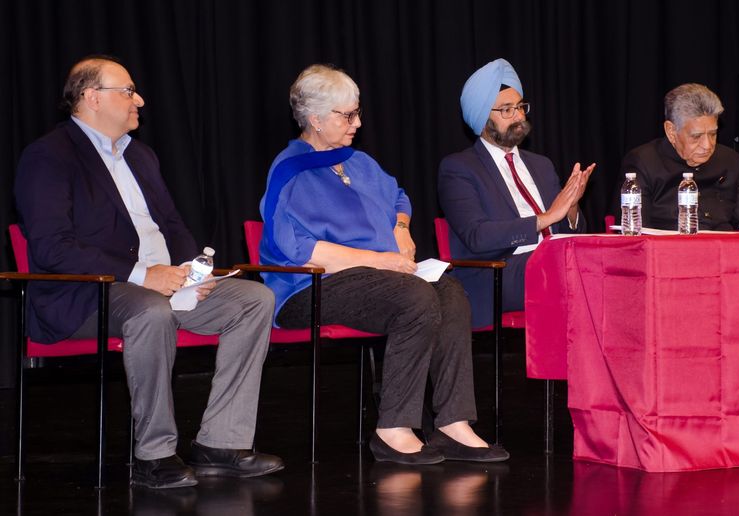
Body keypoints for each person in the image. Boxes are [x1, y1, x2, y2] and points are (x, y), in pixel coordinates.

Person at [13, 56, 283, 489]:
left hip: (164, 283)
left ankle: (221, 443)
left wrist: (195, 271)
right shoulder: (48, 156)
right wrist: (143, 274)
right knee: (150, 311)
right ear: (91, 97)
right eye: (127, 91)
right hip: (90, 294)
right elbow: (52, 247)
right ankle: (153, 454)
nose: (138, 99)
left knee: (254, 300)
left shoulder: (141, 155)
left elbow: (171, 225)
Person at [260, 64, 508, 465]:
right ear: (315, 119)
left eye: (357, 112)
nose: (357, 123)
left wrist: (401, 227)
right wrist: (378, 261)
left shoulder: (359, 163)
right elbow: (295, 248)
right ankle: (392, 428)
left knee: (448, 288)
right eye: (347, 115)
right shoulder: (289, 171)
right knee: (414, 296)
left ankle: (452, 423)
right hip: (309, 287)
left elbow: (399, 197)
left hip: (380, 278)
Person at [438, 58, 594, 328]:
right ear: (483, 118)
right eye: (507, 110)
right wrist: (544, 219)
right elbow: (478, 237)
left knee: (601, 259)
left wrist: (570, 209)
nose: (520, 116)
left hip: (552, 264)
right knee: (570, 267)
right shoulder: (458, 168)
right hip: (498, 273)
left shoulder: (541, 165)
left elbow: (570, 235)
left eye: (521, 107)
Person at [620, 83, 739, 231]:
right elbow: (637, 232)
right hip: (668, 250)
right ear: (671, 131)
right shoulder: (644, 162)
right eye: (696, 136)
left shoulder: (730, 161)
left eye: (713, 134)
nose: (707, 145)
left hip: (724, 249)